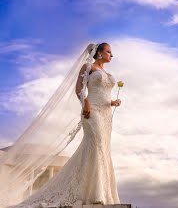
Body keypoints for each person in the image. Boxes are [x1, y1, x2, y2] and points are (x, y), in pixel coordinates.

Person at [3, 42, 121, 207]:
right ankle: (95, 194)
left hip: (106, 114)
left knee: (103, 148)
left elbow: (103, 93)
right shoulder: (88, 67)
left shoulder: (106, 72)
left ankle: (98, 192)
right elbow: (79, 88)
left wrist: (112, 102)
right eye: (109, 51)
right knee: (96, 145)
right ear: (99, 53)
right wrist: (85, 103)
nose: (112, 55)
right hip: (91, 111)